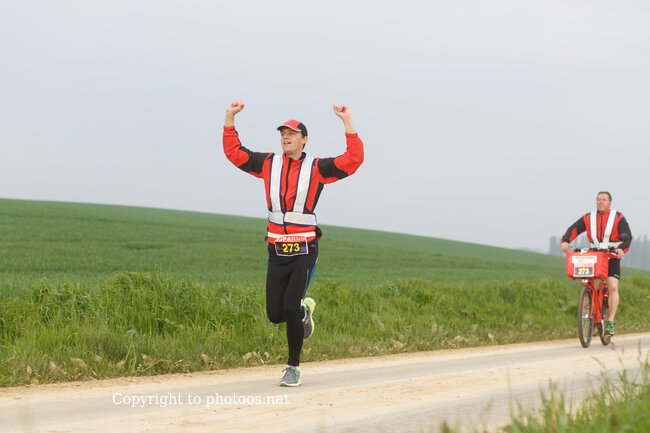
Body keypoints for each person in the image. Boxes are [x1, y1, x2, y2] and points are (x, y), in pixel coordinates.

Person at [222, 100, 364, 386]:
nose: (285, 137)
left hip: (304, 249)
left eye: (292, 134)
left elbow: (353, 159)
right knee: (275, 314)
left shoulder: (317, 168)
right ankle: (304, 313)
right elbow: (234, 153)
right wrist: (229, 118)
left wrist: (347, 122)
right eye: (283, 133)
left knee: (289, 306)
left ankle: (293, 367)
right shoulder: (268, 164)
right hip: (276, 249)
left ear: (304, 139)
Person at [560, 191, 633, 337]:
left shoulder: (617, 217)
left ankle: (610, 322)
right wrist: (565, 241)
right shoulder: (589, 217)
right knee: (587, 282)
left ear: (610, 202)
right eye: (598, 199)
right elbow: (574, 229)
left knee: (612, 286)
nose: (601, 202)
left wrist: (621, 248)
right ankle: (590, 310)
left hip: (611, 255)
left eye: (604, 199)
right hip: (594, 255)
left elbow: (627, 236)